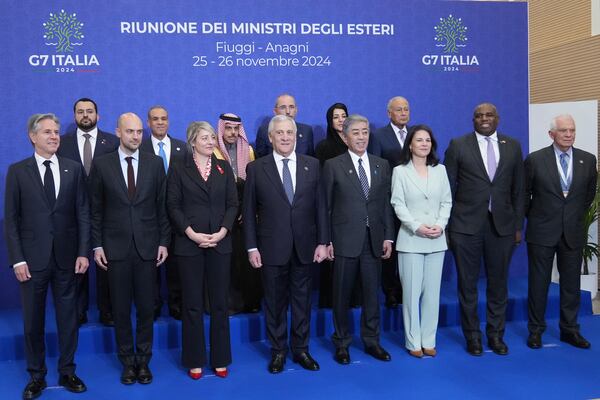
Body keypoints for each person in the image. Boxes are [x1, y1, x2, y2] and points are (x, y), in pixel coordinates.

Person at [5, 113, 89, 399]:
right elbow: (11, 220)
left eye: (56, 132)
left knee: (69, 319)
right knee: (33, 321)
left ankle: (67, 371)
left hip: (67, 259)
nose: (54, 136)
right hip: (31, 261)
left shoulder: (73, 169)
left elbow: (83, 214)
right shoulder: (17, 171)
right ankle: (36, 376)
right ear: (33, 136)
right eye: (48, 132)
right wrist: (17, 259)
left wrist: (82, 252)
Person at [244, 115, 328, 374]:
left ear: (296, 136)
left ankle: (301, 349)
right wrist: (251, 247)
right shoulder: (257, 168)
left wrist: (323, 241)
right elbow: (248, 212)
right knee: (275, 302)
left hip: (305, 247)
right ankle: (278, 350)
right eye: (279, 133)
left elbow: (321, 208)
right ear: (270, 138)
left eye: (289, 133)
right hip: (271, 248)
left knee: (302, 302)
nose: (284, 137)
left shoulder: (312, 165)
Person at [90, 113, 170, 385]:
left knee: (147, 308)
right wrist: (97, 245)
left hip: (148, 247)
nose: (136, 136)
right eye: (130, 131)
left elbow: (162, 207)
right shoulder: (101, 165)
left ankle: (144, 361)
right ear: (118, 132)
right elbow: (96, 210)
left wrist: (163, 242)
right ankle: (127, 361)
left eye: (139, 132)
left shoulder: (155, 163)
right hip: (115, 248)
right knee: (121, 310)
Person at [444, 103, 524, 356]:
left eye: (489, 115)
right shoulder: (458, 145)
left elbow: (519, 190)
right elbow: (448, 188)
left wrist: (518, 226)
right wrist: (448, 226)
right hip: (465, 226)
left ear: (497, 118)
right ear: (473, 120)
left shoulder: (512, 146)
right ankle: (473, 337)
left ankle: (496, 336)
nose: (484, 119)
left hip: (502, 227)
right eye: (479, 115)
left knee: (498, 285)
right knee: (467, 286)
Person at [167, 121, 238, 379]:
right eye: (204, 137)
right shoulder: (178, 169)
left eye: (211, 137)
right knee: (193, 304)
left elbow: (233, 204)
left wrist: (222, 231)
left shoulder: (223, 168)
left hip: (220, 244)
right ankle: (194, 359)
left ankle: (221, 358)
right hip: (189, 244)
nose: (210, 141)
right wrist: (191, 233)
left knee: (220, 304)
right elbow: (172, 206)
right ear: (192, 141)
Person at [323, 114, 394, 365]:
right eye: (356, 132)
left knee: (372, 295)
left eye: (365, 131)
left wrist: (388, 237)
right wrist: (326, 240)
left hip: (373, 240)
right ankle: (342, 343)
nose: (362, 136)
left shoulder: (381, 164)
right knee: (341, 294)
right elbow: (325, 207)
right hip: (343, 240)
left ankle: (372, 340)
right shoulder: (333, 165)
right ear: (345, 136)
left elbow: (384, 203)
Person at [524, 114, 597, 350]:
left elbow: (586, 197)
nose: (569, 135)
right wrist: (538, 217)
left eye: (572, 130)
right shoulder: (535, 160)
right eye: (564, 131)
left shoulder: (588, 159)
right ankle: (535, 331)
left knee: (570, 285)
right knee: (538, 284)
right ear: (551, 134)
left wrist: (571, 217)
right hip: (542, 232)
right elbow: (524, 196)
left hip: (572, 233)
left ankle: (570, 330)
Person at [390, 125, 452, 358]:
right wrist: (416, 226)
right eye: (419, 140)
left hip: (436, 238)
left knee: (432, 294)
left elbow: (446, 202)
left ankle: (429, 340)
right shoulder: (400, 172)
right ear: (410, 145)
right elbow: (398, 204)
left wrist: (440, 225)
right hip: (411, 239)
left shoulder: (441, 170)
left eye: (428, 140)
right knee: (412, 293)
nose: (424, 144)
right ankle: (413, 341)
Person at [57, 97, 119, 327]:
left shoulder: (112, 142)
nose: (86, 115)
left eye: (90, 111)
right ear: (74, 116)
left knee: (107, 265)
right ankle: (78, 311)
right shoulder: (61, 143)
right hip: (72, 213)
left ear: (98, 115)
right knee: (77, 263)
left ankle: (108, 311)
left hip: (107, 212)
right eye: (81, 111)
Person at [140, 105, 187, 320]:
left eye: (164, 118)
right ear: (148, 123)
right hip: (149, 216)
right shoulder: (140, 149)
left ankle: (177, 303)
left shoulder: (182, 148)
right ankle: (154, 304)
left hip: (177, 217)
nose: (160, 122)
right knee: (151, 264)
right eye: (155, 119)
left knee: (177, 264)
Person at [314, 103, 361, 309]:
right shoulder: (324, 147)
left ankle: (353, 298)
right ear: (329, 121)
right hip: (333, 207)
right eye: (336, 117)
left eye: (344, 115)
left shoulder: (358, 144)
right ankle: (331, 300)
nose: (341, 120)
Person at [214, 113, 261, 314]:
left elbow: (255, 185)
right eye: (228, 128)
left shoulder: (249, 151)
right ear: (221, 129)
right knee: (229, 263)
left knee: (247, 261)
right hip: (223, 217)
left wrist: (247, 210)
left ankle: (251, 302)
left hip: (246, 214)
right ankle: (231, 303)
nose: (232, 133)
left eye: (236, 128)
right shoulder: (213, 152)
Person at [368, 96, 411, 309]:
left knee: (409, 249)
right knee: (390, 249)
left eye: (406, 109)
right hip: (390, 201)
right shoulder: (378, 136)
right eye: (398, 110)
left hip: (414, 204)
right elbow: (375, 167)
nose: (403, 113)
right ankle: (391, 291)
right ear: (389, 113)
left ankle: (407, 289)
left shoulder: (417, 135)